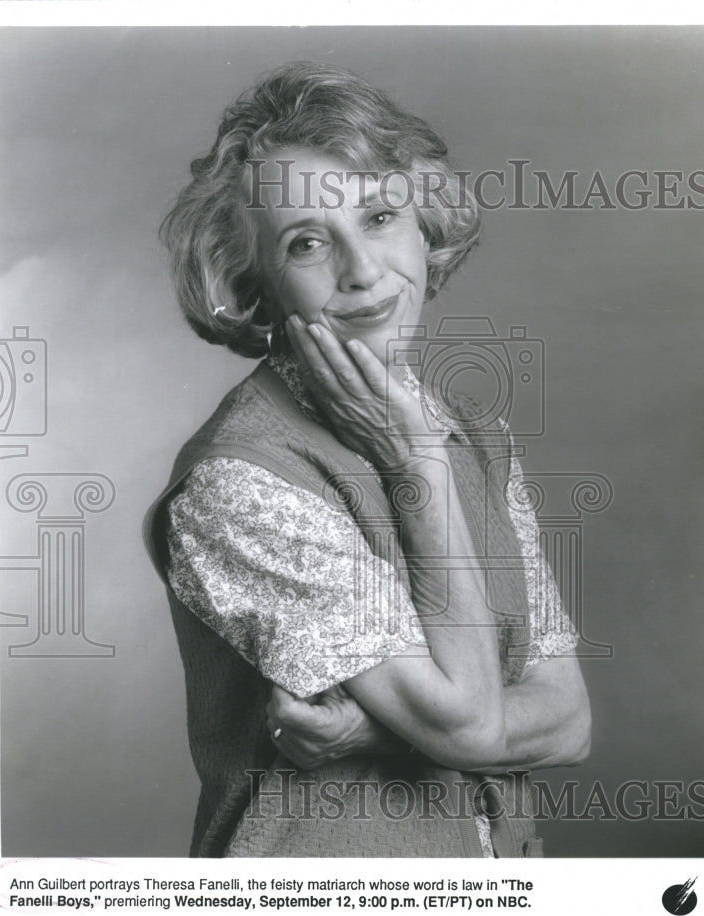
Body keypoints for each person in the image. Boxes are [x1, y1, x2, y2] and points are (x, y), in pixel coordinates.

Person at [144, 62, 591, 858]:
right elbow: (472, 722)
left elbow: (570, 720)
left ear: (424, 225)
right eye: (309, 242)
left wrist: (370, 729)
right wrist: (413, 458)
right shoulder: (237, 480)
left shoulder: (481, 442)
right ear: (258, 284)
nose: (363, 271)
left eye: (380, 217)